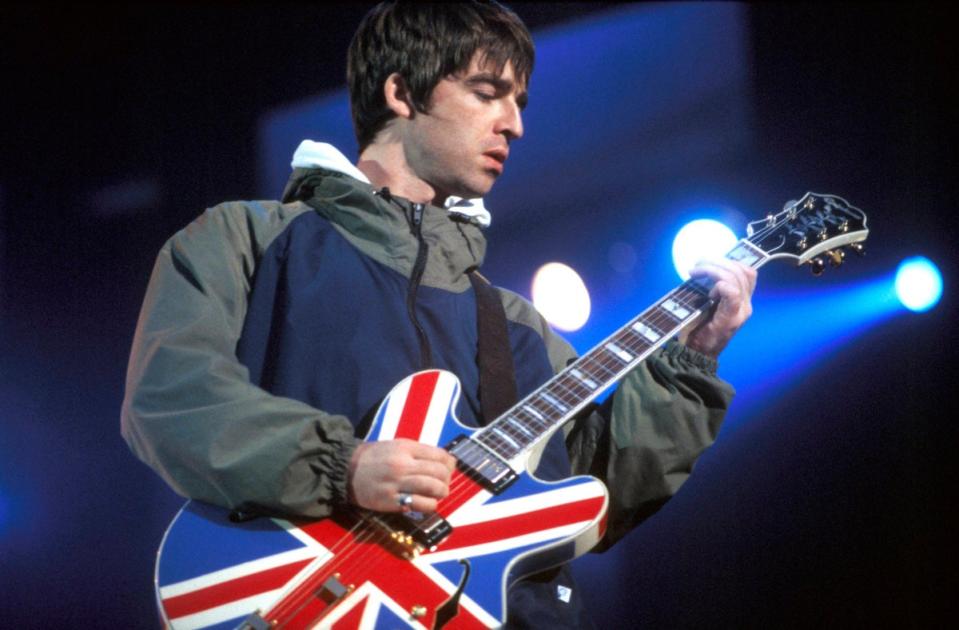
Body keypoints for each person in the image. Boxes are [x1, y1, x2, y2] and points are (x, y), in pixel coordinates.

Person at [122, 1, 756, 627]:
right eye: (488, 93)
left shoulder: (515, 325)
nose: (515, 125)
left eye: (520, 103)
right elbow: (172, 398)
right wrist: (342, 467)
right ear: (401, 93)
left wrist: (689, 361)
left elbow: (597, 495)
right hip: (299, 601)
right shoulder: (246, 239)